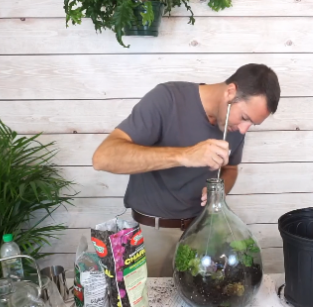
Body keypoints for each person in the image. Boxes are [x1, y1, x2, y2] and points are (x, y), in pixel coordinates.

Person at [92, 63, 281, 277]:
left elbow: (230, 168)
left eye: (252, 124)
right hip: (152, 235)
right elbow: (103, 158)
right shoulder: (167, 99)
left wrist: (219, 191)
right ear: (231, 92)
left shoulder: (234, 125)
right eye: (245, 118)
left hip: (202, 234)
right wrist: (185, 155)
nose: (244, 129)